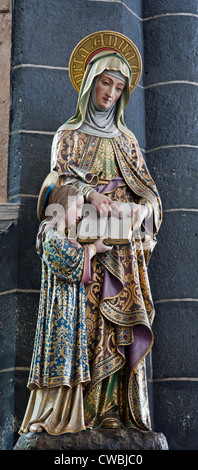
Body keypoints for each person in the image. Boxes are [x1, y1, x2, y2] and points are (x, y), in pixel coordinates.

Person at [49, 31, 162, 432]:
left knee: (120, 326)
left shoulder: (128, 143)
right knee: (88, 325)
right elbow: (54, 187)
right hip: (84, 247)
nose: (111, 93)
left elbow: (150, 194)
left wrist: (140, 210)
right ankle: (86, 412)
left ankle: (117, 409)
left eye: (119, 86)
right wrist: (90, 194)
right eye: (105, 82)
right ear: (90, 83)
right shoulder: (69, 136)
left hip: (124, 250)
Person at [19, 182, 112, 434]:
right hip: (59, 312)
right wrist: (93, 249)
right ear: (63, 206)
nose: (81, 214)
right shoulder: (49, 234)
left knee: (68, 358)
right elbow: (69, 263)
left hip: (69, 309)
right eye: (78, 207)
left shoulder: (63, 236)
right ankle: (47, 417)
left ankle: (68, 417)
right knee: (58, 356)